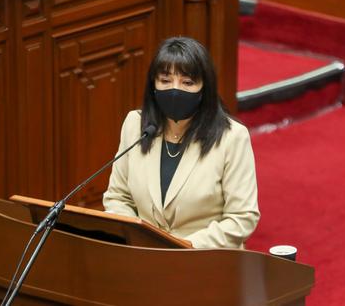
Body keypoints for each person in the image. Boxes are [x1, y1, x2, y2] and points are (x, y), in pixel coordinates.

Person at [103, 37, 260, 249]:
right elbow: (117, 197)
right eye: (165, 81)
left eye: (187, 82)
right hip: (144, 258)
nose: (175, 90)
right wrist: (137, 240)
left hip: (207, 263)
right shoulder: (135, 126)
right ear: (153, 85)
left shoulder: (232, 138)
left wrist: (183, 247)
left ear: (205, 87)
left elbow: (242, 218)